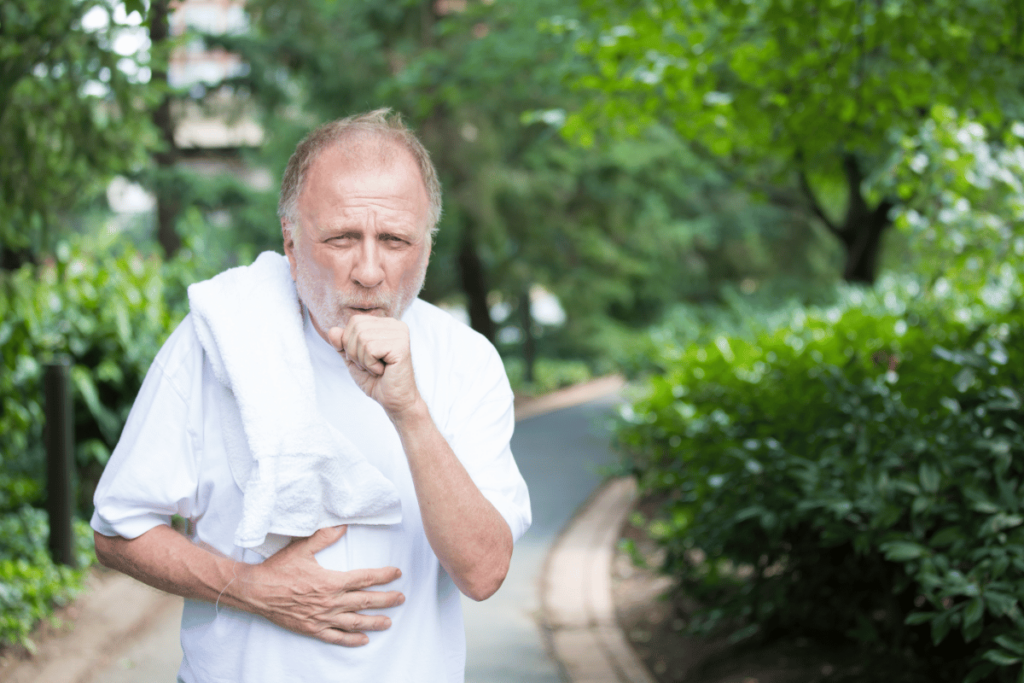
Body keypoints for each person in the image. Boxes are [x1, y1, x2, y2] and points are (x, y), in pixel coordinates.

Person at [90, 109, 531, 683]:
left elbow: (484, 572)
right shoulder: (220, 338)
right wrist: (249, 589)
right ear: (291, 241)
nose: (369, 271)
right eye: (343, 238)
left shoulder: (467, 362)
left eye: (395, 239)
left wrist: (409, 411)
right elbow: (117, 529)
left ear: (426, 248)